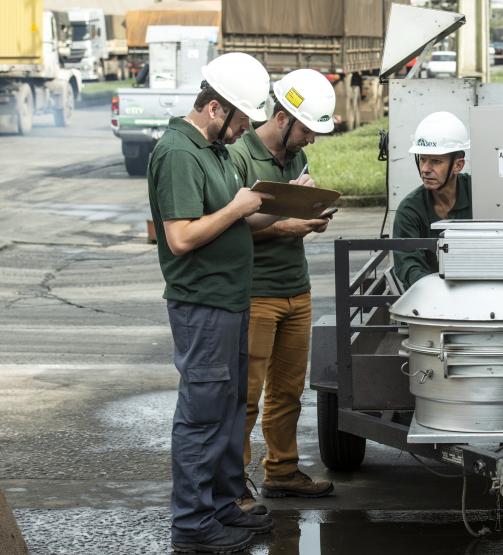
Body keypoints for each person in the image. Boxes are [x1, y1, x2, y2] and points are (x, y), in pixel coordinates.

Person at [147, 52, 280, 554]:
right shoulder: (179, 153)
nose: (244, 129)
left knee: (227, 409)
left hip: (228, 302)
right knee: (203, 414)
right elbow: (180, 237)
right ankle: (192, 524)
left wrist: (287, 209)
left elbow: (236, 222)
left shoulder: (216, 151)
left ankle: (223, 505)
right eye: (241, 118)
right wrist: (238, 206)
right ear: (214, 108)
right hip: (201, 305)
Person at [227, 68, 336, 513]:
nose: (310, 139)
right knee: (246, 397)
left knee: (288, 391)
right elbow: (229, 228)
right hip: (257, 294)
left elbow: (293, 216)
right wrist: (284, 225)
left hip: (297, 289)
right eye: (307, 129)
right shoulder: (238, 157)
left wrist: (312, 216)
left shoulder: (296, 159)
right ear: (282, 117)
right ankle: (234, 486)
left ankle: (282, 470)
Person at [392, 111, 472, 288]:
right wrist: (438, 292)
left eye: (436, 161)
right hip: (430, 303)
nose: (425, 169)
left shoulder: (480, 195)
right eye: (422, 160)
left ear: (458, 165)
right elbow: (408, 265)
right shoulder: (409, 210)